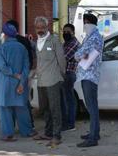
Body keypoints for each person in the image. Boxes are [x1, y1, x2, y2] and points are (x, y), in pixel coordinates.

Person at [0, 22, 36, 141]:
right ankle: (27, 131)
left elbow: (1, 65)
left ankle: (8, 134)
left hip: (4, 82)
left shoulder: (1, 48)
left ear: (5, 35)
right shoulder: (22, 47)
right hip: (20, 83)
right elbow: (26, 66)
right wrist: (22, 80)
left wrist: (13, 74)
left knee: (5, 108)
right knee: (21, 107)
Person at [32, 17, 66, 146]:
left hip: (53, 80)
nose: (40, 30)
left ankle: (57, 135)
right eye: (38, 27)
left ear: (47, 28)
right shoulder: (37, 42)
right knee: (45, 109)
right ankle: (48, 132)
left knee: (55, 109)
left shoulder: (54, 40)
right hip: (41, 81)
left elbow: (62, 60)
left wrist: (62, 75)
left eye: (42, 27)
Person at [74, 13, 104, 147]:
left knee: (91, 107)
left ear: (88, 23)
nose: (84, 26)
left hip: (89, 75)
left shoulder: (94, 37)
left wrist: (77, 55)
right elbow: (83, 53)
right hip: (88, 75)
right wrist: (80, 55)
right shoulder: (93, 36)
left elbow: (81, 53)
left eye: (85, 23)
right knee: (92, 106)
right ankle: (94, 133)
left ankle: (93, 138)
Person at [7, 19, 35, 128]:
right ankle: (29, 124)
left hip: (13, 75)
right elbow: (30, 58)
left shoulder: (8, 42)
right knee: (24, 99)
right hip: (24, 74)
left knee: (12, 100)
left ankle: (11, 125)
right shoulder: (25, 40)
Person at [61, 24, 80, 131]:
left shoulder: (73, 44)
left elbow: (63, 58)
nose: (65, 33)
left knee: (69, 100)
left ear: (73, 32)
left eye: (68, 31)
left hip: (68, 73)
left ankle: (70, 124)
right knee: (67, 99)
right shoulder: (67, 43)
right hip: (65, 74)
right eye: (64, 31)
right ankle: (67, 122)